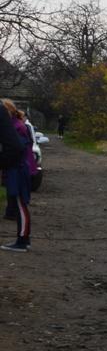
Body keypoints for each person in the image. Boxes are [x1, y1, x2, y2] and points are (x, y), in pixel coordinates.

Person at [0, 99, 30, 252]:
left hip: (17, 168)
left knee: (20, 204)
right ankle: (24, 239)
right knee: (19, 203)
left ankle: (22, 240)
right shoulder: (13, 125)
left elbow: (17, 148)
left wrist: (3, 163)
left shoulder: (16, 126)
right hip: (16, 166)